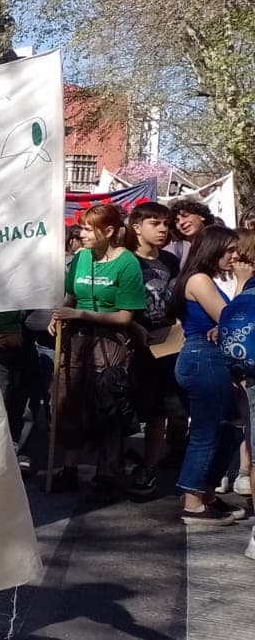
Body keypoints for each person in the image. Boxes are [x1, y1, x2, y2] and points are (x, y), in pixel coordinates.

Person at [48, 204, 146, 497]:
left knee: (108, 407)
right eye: (82, 227)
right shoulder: (79, 258)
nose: (82, 233)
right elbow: (70, 296)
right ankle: (69, 469)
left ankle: (107, 473)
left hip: (110, 344)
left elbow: (126, 317)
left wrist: (82, 316)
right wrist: (59, 314)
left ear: (109, 231)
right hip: (76, 341)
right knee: (69, 401)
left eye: (89, 228)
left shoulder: (127, 263)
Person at [169, 226, 246, 525]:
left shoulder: (204, 279)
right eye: (228, 250)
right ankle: (192, 503)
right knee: (206, 431)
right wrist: (240, 283)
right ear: (211, 249)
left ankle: (206, 492)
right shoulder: (199, 279)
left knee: (230, 426)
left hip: (210, 359)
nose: (234, 255)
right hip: (204, 359)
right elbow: (231, 318)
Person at [123, 201, 186, 494]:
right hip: (126, 344)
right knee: (123, 408)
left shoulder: (171, 262)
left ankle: (149, 467)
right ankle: (111, 465)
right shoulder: (124, 260)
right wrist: (130, 326)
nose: (162, 229)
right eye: (154, 223)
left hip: (163, 346)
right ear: (136, 227)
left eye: (165, 223)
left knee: (160, 410)